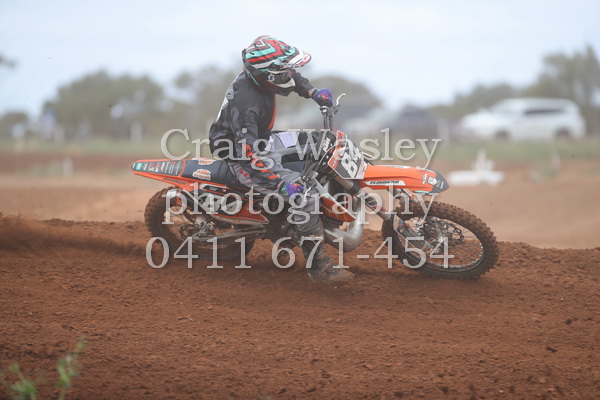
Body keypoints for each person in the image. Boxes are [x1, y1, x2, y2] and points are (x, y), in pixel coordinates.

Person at [209, 35, 354, 285]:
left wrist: (313, 92)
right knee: (304, 196)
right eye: (283, 72)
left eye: (287, 70)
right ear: (268, 74)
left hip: (262, 140)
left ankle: (328, 210)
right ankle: (319, 267)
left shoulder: (261, 78)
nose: (289, 75)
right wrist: (282, 186)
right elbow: (247, 156)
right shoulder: (246, 104)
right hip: (240, 155)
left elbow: (293, 78)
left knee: (323, 142)